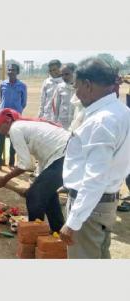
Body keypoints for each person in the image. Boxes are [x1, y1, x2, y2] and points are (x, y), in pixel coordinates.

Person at [59, 58, 130, 259]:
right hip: (104, 203)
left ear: (87, 85)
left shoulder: (101, 121)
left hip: (90, 209)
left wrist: (73, 222)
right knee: (99, 255)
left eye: (77, 86)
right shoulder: (122, 112)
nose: (77, 93)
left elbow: (95, 178)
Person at [0, 109, 69, 232]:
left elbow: (26, 165)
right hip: (66, 153)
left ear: (7, 122)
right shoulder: (25, 127)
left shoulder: (15, 129)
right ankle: (57, 232)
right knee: (47, 194)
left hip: (63, 155)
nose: (1, 132)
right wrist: (35, 185)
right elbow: (39, 165)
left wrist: (4, 179)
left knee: (34, 197)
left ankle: (35, 236)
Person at [0, 63, 27, 171]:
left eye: (13, 70)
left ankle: (11, 163)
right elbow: (1, 98)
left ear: (17, 72)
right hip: (3, 116)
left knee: (14, 140)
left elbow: (24, 102)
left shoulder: (22, 86)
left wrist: (17, 111)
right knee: (0, 140)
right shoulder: (3, 84)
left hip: (15, 117)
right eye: (9, 70)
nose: (11, 72)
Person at [52, 63, 77, 130]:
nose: (64, 77)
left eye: (67, 74)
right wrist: (55, 122)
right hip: (62, 124)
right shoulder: (60, 87)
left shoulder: (81, 87)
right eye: (62, 75)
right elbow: (56, 107)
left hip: (77, 123)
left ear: (75, 73)